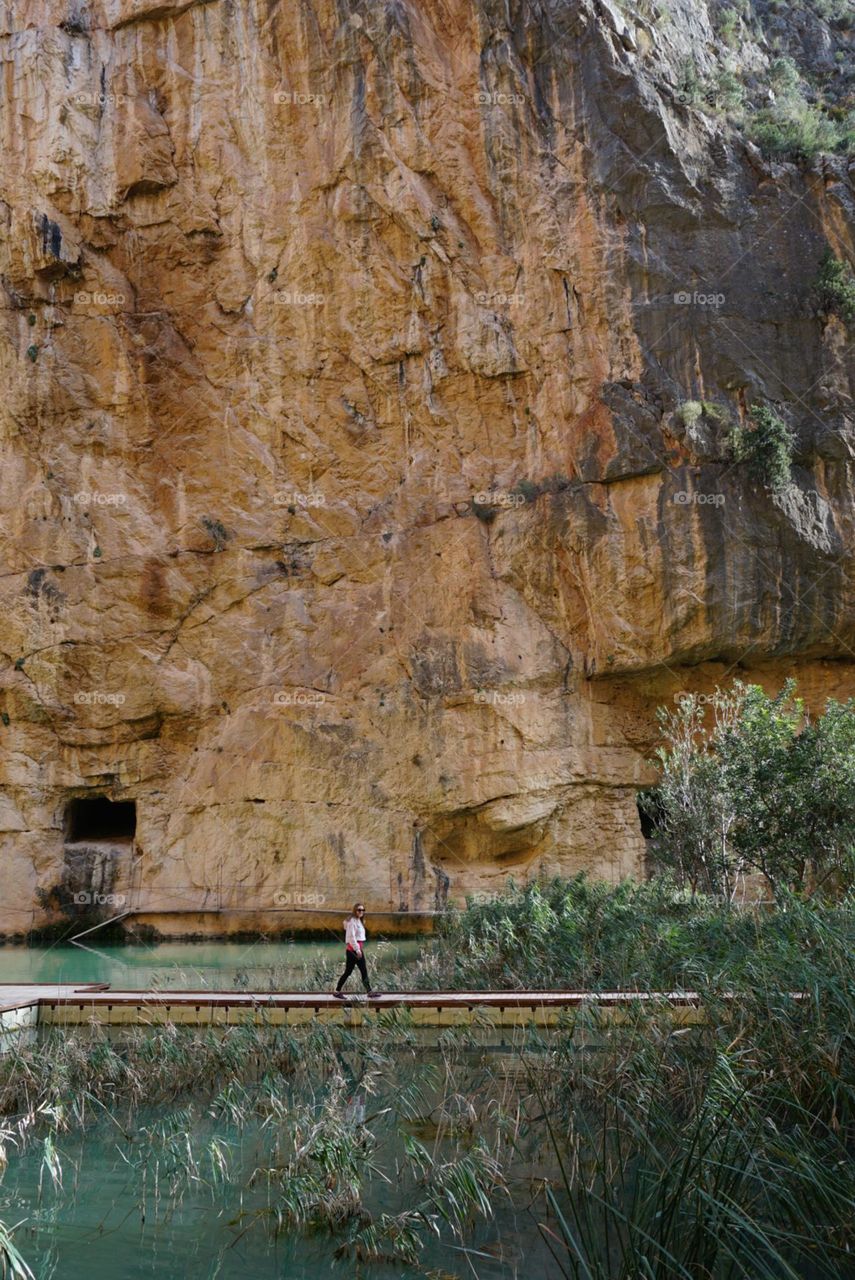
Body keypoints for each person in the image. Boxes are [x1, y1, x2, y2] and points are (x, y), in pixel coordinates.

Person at [333, 903, 381, 998]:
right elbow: (352, 937)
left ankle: (369, 992)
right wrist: (357, 950)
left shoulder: (359, 921)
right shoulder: (352, 921)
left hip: (356, 950)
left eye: (363, 910)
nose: (361, 912)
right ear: (355, 910)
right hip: (353, 951)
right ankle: (337, 991)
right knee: (350, 972)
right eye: (359, 910)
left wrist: (358, 950)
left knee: (360, 971)